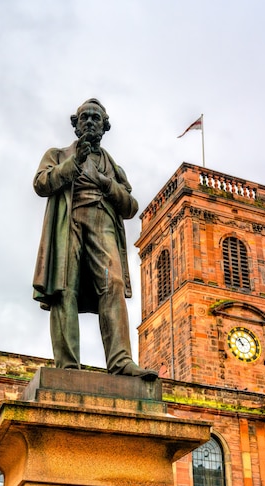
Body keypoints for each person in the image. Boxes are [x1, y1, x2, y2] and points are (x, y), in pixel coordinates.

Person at [32, 98, 157, 381]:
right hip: (68, 223)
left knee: (112, 284)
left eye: (96, 118)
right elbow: (41, 183)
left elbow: (130, 206)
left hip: (103, 224)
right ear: (76, 126)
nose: (90, 121)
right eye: (84, 117)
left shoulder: (113, 168)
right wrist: (74, 164)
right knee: (65, 288)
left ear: (104, 126)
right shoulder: (58, 154)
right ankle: (67, 366)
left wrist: (105, 183)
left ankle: (121, 361)